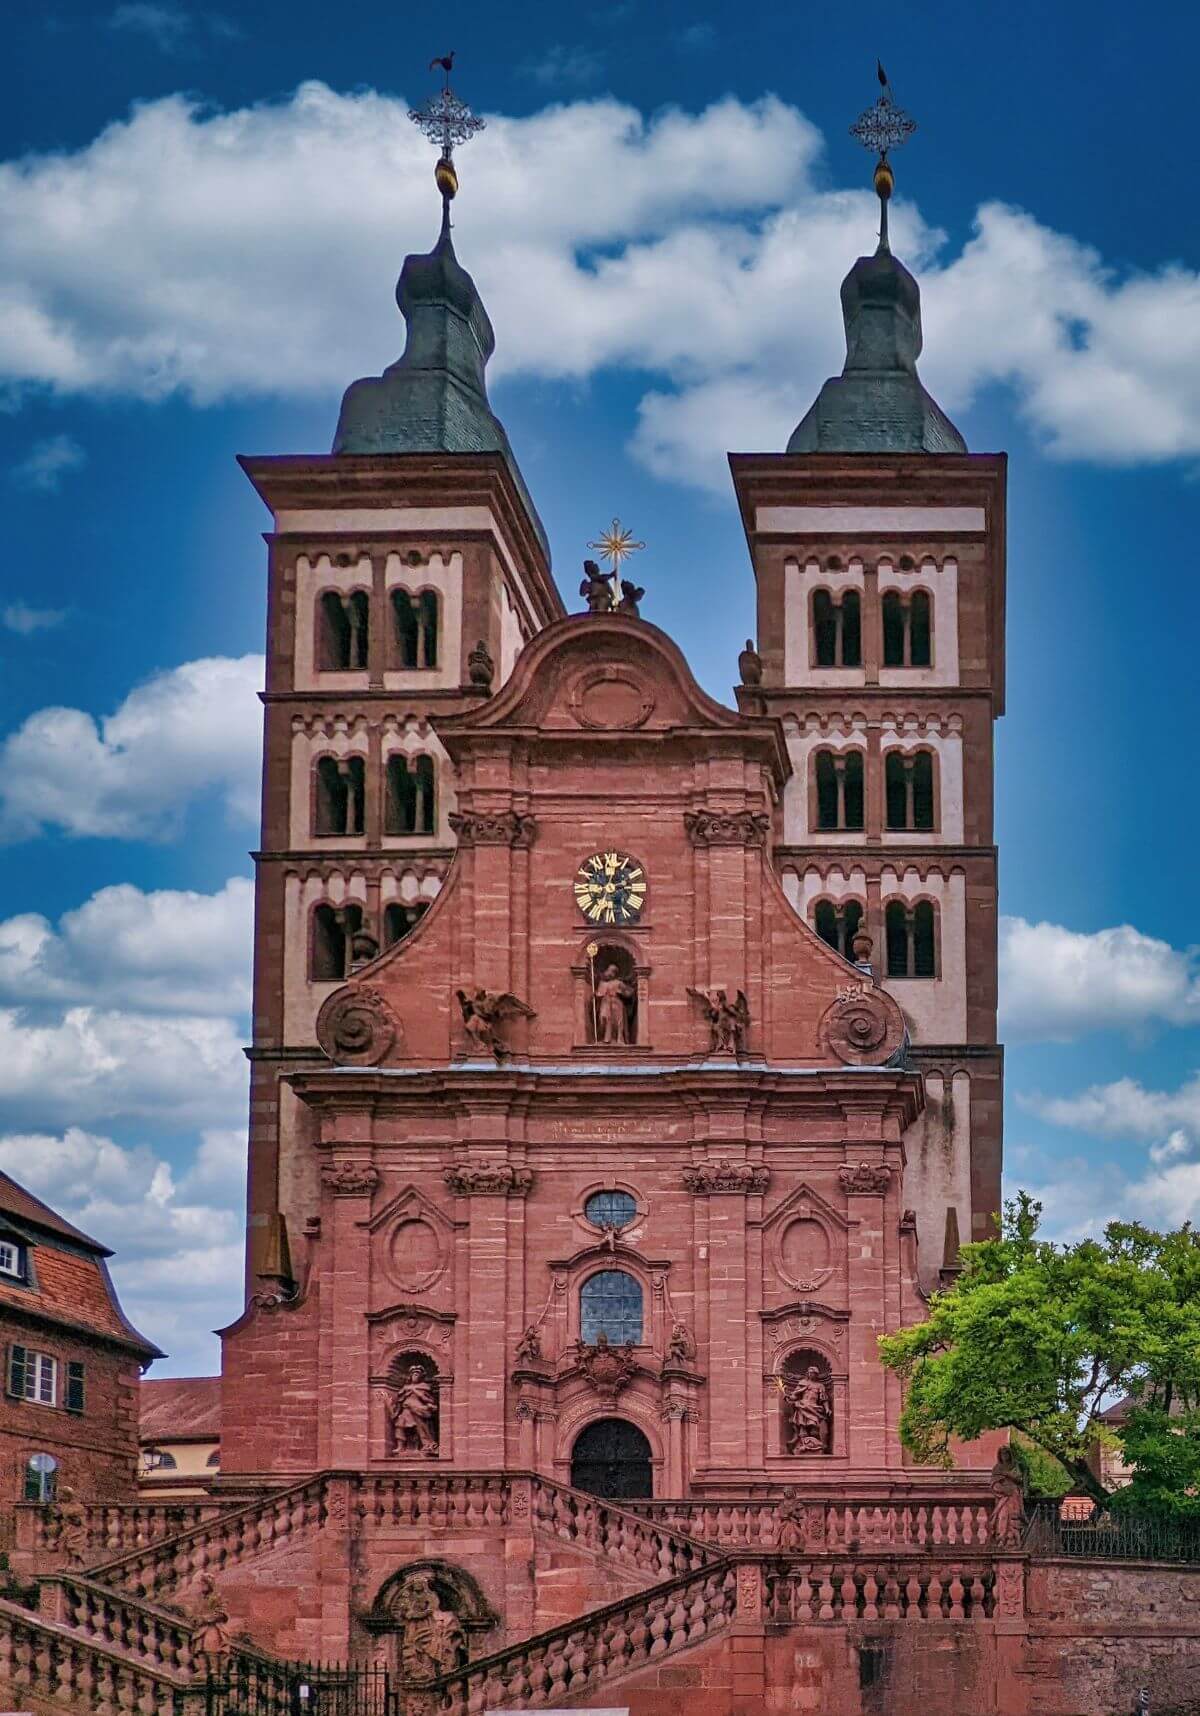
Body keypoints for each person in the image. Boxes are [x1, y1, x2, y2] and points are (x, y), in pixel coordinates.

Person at [389, 1365, 439, 1456]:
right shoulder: (405, 1387)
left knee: (416, 1428)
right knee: (400, 1426)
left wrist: (415, 1391)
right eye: (413, 1374)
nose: (415, 1375)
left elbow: (430, 1400)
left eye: (417, 1374)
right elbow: (400, 1400)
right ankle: (400, 1447)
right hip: (406, 1410)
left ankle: (418, 1447)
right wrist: (397, 1411)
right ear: (410, 1375)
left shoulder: (425, 1386)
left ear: (421, 1376)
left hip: (418, 1411)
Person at [786, 1366, 831, 1453]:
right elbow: (795, 1395)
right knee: (802, 1425)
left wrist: (827, 1408)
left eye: (813, 1373)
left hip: (814, 1407)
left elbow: (824, 1399)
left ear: (816, 1374)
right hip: (802, 1405)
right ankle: (802, 1443)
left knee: (815, 1426)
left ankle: (816, 1444)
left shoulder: (820, 1385)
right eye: (809, 1373)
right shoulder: (802, 1383)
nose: (811, 1374)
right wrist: (790, 1397)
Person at [594, 964, 635, 1044]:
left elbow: (629, 993)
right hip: (605, 1003)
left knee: (617, 1022)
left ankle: (616, 1039)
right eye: (609, 970)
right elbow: (599, 994)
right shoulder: (602, 983)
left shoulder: (618, 983)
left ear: (615, 974)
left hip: (616, 1003)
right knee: (604, 1018)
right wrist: (595, 995)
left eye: (612, 971)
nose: (610, 973)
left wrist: (622, 992)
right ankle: (604, 1038)